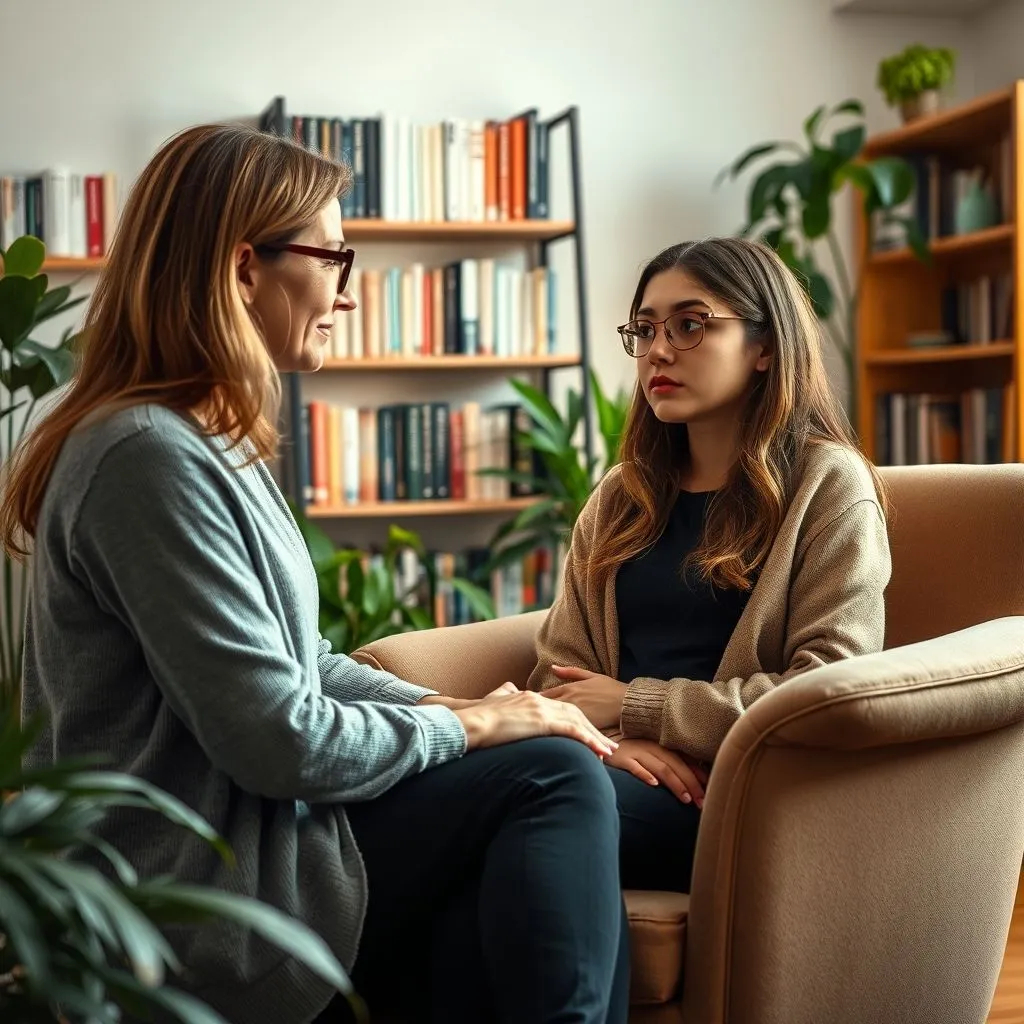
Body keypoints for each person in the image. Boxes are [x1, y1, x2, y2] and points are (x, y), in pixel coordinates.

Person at [0, 124, 631, 1024]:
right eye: (333, 254)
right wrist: (477, 728)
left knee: (550, 780)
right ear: (243, 268)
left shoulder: (207, 438)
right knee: (550, 779)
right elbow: (278, 740)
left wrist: (457, 711)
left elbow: (303, 658)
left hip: (264, 843)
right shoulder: (147, 457)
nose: (347, 287)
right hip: (204, 891)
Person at [527, 237, 892, 894]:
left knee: (531, 808)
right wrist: (610, 744)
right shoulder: (623, 494)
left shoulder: (828, 486)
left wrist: (640, 707)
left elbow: (829, 691)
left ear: (765, 347)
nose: (659, 350)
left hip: (731, 796)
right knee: (474, 798)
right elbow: (559, 676)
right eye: (645, 330)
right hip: (609, 771)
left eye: (691, 325)